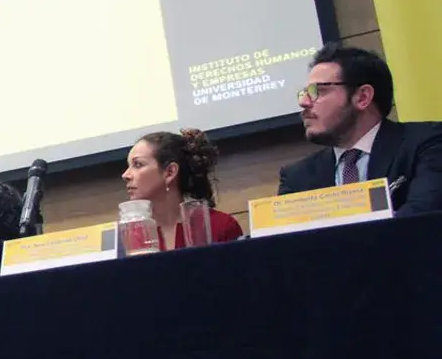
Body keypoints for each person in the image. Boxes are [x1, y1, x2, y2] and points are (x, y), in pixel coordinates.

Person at [279, 44, 442, 215]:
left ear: (363, 97)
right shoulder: (297, 178)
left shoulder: (428, 144)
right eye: (304, 93)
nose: (303, 102)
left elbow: (422, 219)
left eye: (318, 91)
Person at [122, 128, 243, 249]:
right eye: (129, 166)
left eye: (138, 164)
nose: (125, 175)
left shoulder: (221, 226)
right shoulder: (130, 236)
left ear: (170, 172)